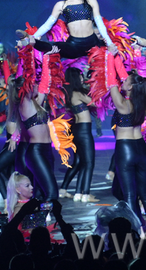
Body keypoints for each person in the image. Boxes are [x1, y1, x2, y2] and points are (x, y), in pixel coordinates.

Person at [18, 0, 119, 57]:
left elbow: (100, 24)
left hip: (93, 42)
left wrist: (110, 44)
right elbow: (47, 25)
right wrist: (34, 36)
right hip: (74, 45)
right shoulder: (61, 5)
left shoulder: (92, 1)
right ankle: (30, 40)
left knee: (116, 49)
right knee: (53, 47)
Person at [110, 63, 146, 230]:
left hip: (126, 149)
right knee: (145, 195)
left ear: (130, 87)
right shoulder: (143, 103)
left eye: (125, 80)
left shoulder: (123, 104)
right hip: (141, 148)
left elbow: (110, 81)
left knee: (129, 194)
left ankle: (136, 231)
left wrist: (110, 56)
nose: (122, 80)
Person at [8, 79, 58, 203]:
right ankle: (46, 214)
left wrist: (45, 66)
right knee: (51, 193)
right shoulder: (24, 103)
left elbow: (44, 86)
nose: (36, 85)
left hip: (47, 150)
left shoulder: (35, 105)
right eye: (33, 84)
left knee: (40, 194)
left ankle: (37, 215)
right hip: (36, 153)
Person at [59, 68, 98, 203]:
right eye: (80, 76)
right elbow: (96, 103)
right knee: (89, 163)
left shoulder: (69, 93)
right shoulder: (78, 93)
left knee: (81, 162)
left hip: (76, 129)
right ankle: (85, 194)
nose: (82, 79)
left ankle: (78, 193)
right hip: (83, 130)